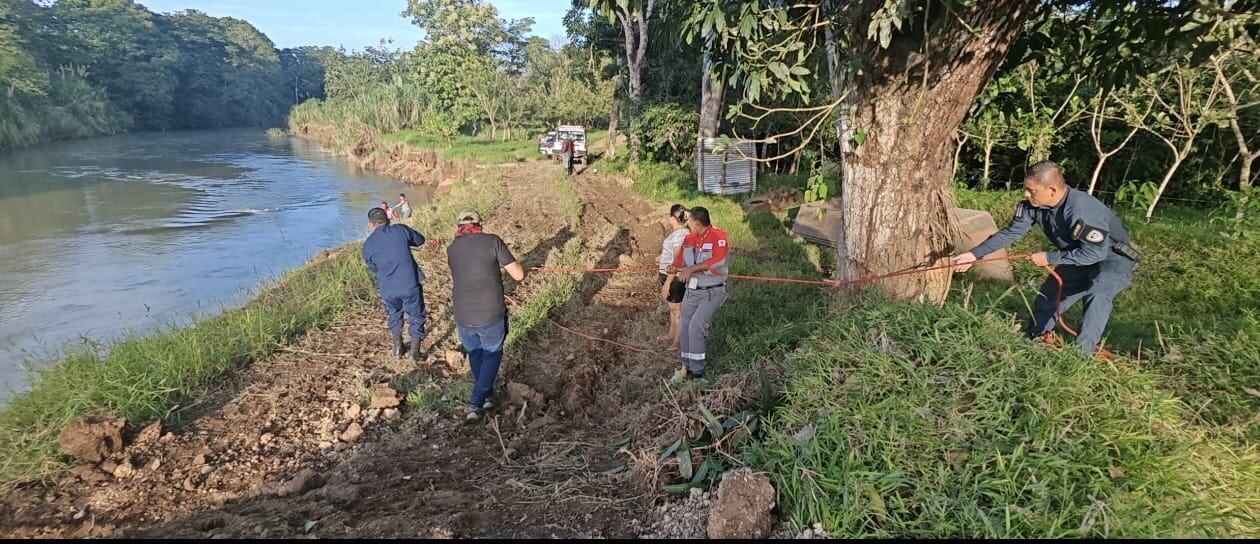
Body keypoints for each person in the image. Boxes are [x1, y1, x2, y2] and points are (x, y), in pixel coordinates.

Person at [952, 160, 1140, 358]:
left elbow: (1095, 254)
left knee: (1098, 292)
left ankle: (1080, 357)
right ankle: (1035, 340)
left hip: (1111, 258)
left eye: (1031, 190)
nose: (1026, 194)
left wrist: (1050, 257)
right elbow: (1010, 233)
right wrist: (973, 255)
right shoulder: (1033, 206)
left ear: (1051, 190)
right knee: (1050, 294)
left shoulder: (1081, 210)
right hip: (1077, 256)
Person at [445, 210, 526, 423]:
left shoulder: (451, 249)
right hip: (490, 312)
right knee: (492, 353)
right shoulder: (492, 241)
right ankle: (475, 402)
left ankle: (488, 396)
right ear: (480, 224)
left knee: (475, 353)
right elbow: (518, 274)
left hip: (462, 314)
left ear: (458, 227)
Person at [665, 206, 729, 380]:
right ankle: (687, 366)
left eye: (690, 221)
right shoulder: (690, 238)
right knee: (685, 326)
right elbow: (680, 259)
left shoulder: (719, 236)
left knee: (696, 327)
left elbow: (719, 259)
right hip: (692, 292)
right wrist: (674, 267)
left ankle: (698, 372)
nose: (688, 224)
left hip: (711, 292)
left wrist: (692, 268)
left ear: (697, 223)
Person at [361, 207, 429, 361]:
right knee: (416, 315)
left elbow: (374, 268)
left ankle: (398, 348)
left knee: (394, 314)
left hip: (388, 288)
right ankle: (415, 352)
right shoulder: (400, 230)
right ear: (389, 219)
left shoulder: (367, 246)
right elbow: (420, 240)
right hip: (409, 283)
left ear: (370, 225)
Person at [657, 205, 689, 350]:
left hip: (674, 277)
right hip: (668, 274)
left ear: (672, 218)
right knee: (672, 308)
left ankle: (677, 341)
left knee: (677, 309)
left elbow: (677, 259)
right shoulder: (678, 233)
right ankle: (671, 334)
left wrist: (668, 283)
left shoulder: (680, 235)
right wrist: (661, 258)